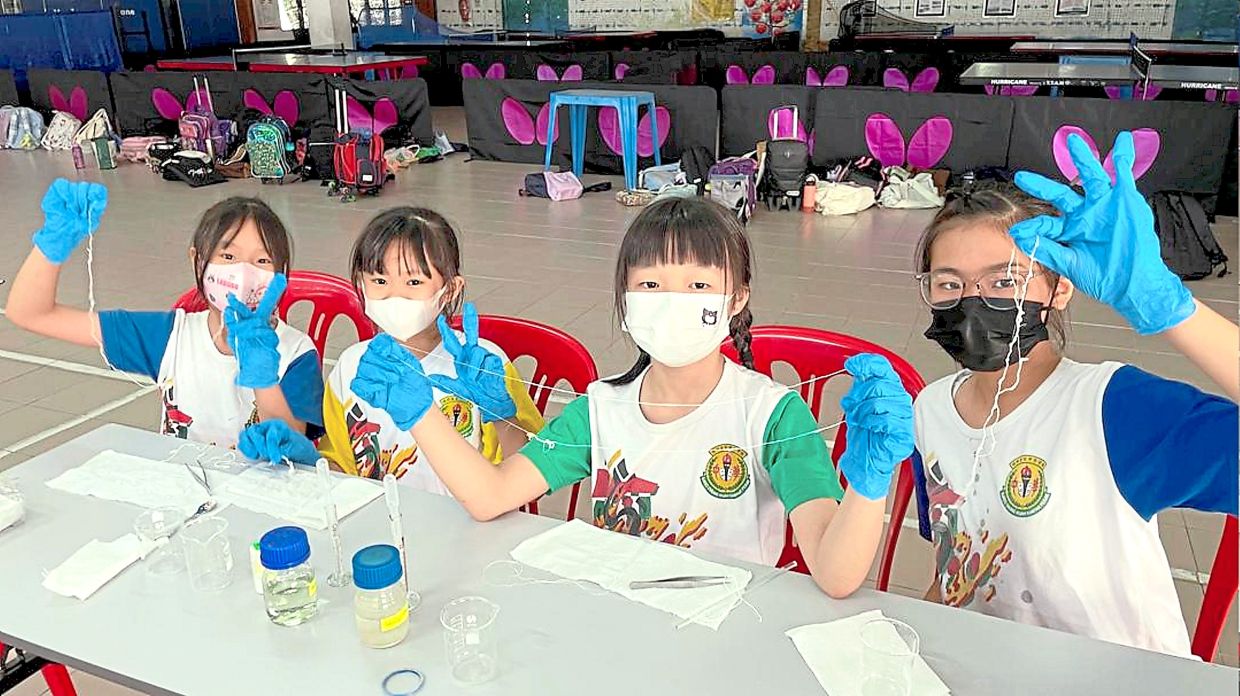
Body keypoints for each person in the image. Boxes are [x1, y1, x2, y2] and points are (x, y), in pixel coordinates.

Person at [344, 197, 916, 598]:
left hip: (728, 629)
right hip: (616, 619)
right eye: (649, 285)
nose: (672, 302)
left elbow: (836, 575)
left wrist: (869, 486)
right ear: (623, 299)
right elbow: (491, 495)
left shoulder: (771, 415)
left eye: (698, 286)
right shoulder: (602, 409)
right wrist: (419, 411)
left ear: (737, 299)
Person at [911, 132, 1238, 657]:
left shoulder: (1111, 408)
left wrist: (1174, 311)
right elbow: (955, 572)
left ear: (1059, 287)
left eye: (1005, 280)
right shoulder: (930, 409)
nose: (973, 301)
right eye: (949, 284)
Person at [5, 180, 323, 448]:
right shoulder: (171, 336)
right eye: (227, 255)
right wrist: (53, 243)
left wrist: (263, 376)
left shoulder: (295, 352)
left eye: (262, 261)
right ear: (198, 262)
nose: (243, 272)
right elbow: (30, 313)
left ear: (281, 274)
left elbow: (290, 449)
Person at [245, 208, 542, 491]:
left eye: (413, 281)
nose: (394, 295)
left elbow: (531, 478)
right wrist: (305, 459)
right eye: (379, 280)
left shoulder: (483, 366)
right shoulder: (351, 367)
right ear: (360, 285)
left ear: (449, 290)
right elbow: (343, 465)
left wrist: (503, 416)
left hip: (473, 525)